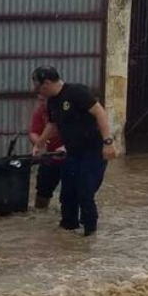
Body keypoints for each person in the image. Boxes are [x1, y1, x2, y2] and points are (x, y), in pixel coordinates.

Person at [30, 66, 116, 236]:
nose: (36, 91)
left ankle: (90, 234)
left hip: (93, 151)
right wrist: (39, 144)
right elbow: (52, 124)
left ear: (46, 83)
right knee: (68, 191)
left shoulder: (76, 92)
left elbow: (100, 113)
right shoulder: (53, 102)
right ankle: (68, 231)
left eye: (37, 87)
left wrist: (108, 142)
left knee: (84, 189)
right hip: (73, 152)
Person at [28, 93, 64, 210]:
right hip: (50, 157)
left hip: (70, 156)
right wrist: (39, 143)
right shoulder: (40, 112)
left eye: (45, 100)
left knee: (71, 193)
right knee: (42, 190)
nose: (42, 103)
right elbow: (33, 132)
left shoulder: (66, 110)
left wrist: (66, 147)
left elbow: (79, 134)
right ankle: (40, 214)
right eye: (40, 100)